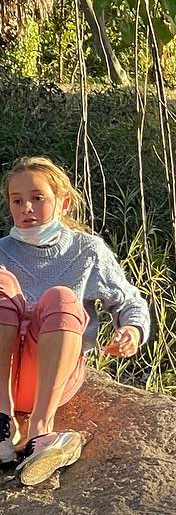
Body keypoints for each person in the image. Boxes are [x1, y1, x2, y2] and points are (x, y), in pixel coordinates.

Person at [0, 156, 150, 487]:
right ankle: (2, 425)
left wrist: (132, 329)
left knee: (61, 297)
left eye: (38, 198)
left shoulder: (87, 250)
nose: (27, 207)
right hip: (3, 373)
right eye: (17, 200)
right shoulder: (2, 251)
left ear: (63, 201)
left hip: (53, 373)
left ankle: (40, 433)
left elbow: (130, 301)